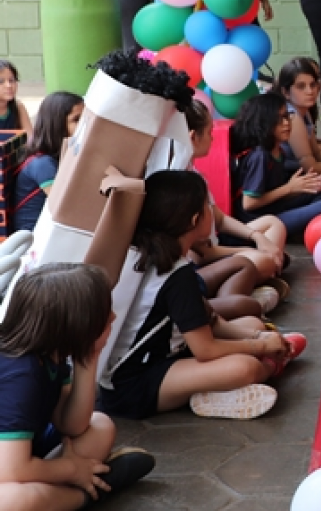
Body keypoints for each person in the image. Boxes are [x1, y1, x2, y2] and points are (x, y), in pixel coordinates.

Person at [99, 171, 303, 421]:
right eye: (208, 206)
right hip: (133, 384)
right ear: (194, 220)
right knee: (244, 367)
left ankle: (217, 388)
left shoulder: (151, 254)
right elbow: (206, 349)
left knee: (253, 324)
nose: (213, 212)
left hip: (166, 353)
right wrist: (261, 347)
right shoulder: (176, 274)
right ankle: (265, 369)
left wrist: (258, 336)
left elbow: (211, 321)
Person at [0, 263, 156, 510]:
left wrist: (89, 356)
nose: (113, 317)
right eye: (104, 314)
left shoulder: (49, 354)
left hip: (18, 454)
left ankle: (59, 493)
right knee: (15, 501)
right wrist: (71, 469)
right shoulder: (21, 374)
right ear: (78, 326)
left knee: (101, 426)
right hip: (9, 466)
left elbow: (72, 424)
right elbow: (11, 469)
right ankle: (85, 495)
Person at [185, 99, 289, 320]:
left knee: (273, 224)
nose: (213, 138)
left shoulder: (194, 173)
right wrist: (254, 251)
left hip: (217, 246)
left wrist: (256, 237)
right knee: (263, 260)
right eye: (209, 133)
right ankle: (250, 289)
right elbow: (203, 252)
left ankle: (256, 280)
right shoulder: (183, 185)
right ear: (193, 137)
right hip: (204, 262)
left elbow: (220, 219)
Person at [230, 94, 321, 241]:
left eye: (286, 116)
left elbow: (275, 193)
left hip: (273, 207)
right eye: (278, 119)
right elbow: (249, 204)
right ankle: (291, 231)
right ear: (263, 123)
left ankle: (301, 227)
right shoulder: (260, 156)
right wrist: (290, 188)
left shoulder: (278, 150)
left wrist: (303, 186)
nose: (286, 123)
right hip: (260, 220)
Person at [12, 91, 82, 232]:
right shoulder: (42, 164)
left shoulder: (54, 156)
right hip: (32, 238)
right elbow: (65, 206)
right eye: (76, 120)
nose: (83, 125)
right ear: (57, 125)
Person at [0, 60, 33, 134]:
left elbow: (30, 137)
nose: (8, 86)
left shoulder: (18, 107)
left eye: (11, 80)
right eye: (1, 82)